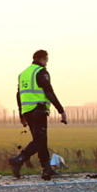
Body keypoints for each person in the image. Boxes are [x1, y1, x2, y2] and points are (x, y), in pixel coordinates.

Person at [10, 50, 67, 180]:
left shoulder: (23, 74)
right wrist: (61, 110)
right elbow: (49, 92)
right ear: (42, 59)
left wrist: (21, 113)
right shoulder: (40, 72)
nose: (47, 63)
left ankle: (46, 169)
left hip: (27, 110)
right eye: (46, 60)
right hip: (38, 109)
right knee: (39, 140)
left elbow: (18, 94)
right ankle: (19, 159)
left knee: (41, 140)